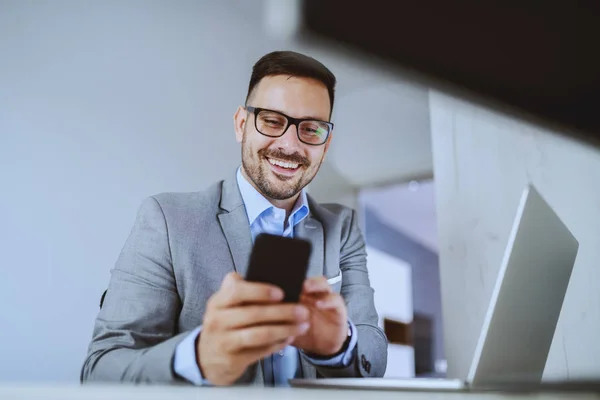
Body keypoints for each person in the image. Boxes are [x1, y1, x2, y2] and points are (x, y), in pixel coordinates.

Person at [81, 50, 387, 386]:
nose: (289, 145)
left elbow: (373, 355)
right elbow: (101, 371)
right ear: (242, 124)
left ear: (324, 146)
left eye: (311, 130)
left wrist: (337, 346)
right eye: (272, 121)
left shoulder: (341, 228)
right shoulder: (167, 219)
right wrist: (199, 357)